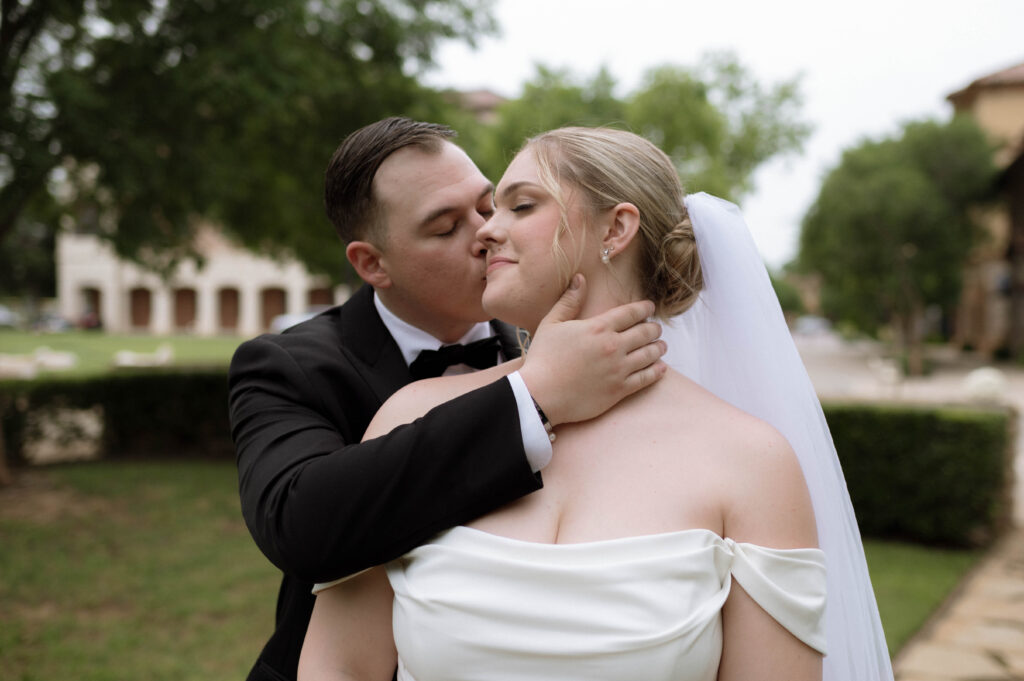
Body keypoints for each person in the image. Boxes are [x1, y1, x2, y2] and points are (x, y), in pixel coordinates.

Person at [298, 127, 894, 681]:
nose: (484, 231)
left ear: (616, 230)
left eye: (521, 205)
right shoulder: (408, 415)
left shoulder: (753, 463)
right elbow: (338, 667)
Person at [228, 118, 669, 681]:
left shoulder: (561, 347)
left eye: (493, 205)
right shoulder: (291, 367)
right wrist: (532, 396)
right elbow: (300, 524)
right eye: (444, 228)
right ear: (372, 264)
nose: (486, 232)